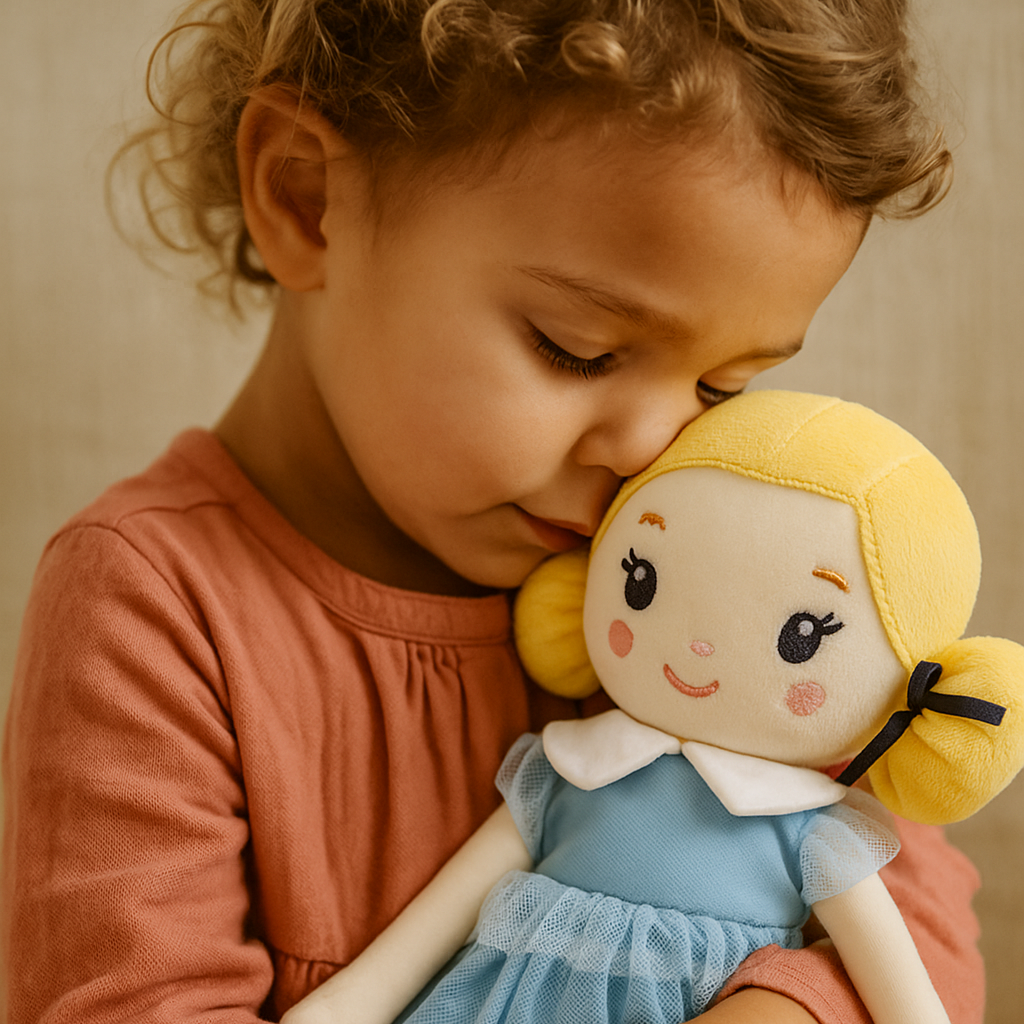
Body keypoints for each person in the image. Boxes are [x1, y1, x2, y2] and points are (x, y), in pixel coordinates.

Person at [1, 2, 982, 1022]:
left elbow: (917, 905)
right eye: (577, 349)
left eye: (720, 389)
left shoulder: (682, 591)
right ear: (305, 197)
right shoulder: (151, 605)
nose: (654, 451)